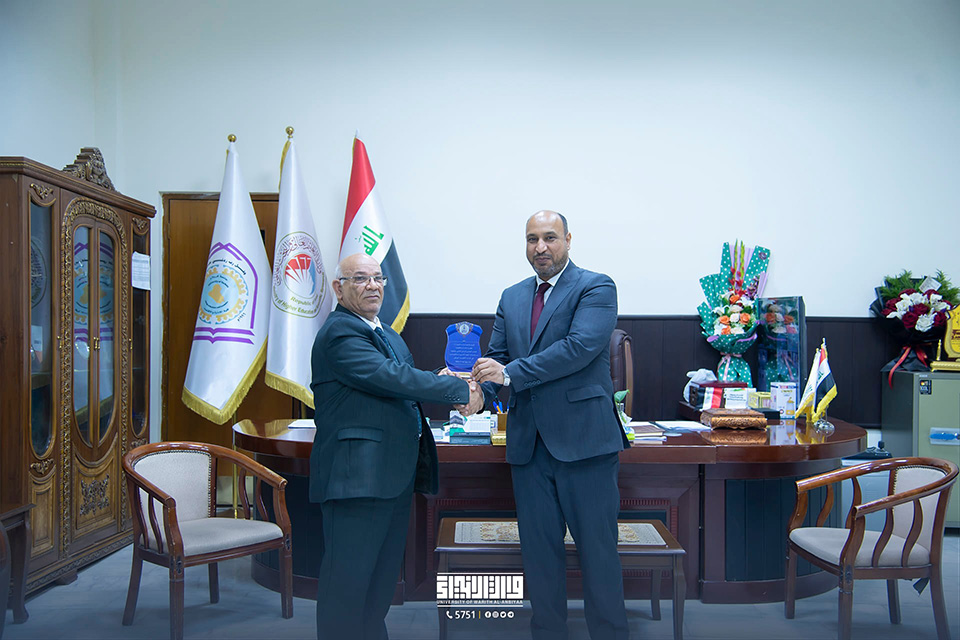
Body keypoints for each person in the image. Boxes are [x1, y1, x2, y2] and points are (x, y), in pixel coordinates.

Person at [471, 210, 630, 640]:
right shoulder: (512, 296)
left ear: (568, 240)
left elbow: (579, 348)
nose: (540, 247)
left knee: (598, 553)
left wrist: (509, 374)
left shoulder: (596, 286)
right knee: (539, 556)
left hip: (586, 443)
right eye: (532, 239)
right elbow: (498, 359)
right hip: (529, 445)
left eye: (549, 237)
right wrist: (474, 392)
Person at [309, 252, 481, 640]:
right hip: (356, 481)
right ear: (339, 288)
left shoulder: (385, 332)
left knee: (379, 588)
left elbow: (402, 379)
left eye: (378, 278)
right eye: (360, 279)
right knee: (347, 589)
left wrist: (448, 377)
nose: (373, 286)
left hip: (390, 478)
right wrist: (458, 391)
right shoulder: (339, 333)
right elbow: (390, 378)